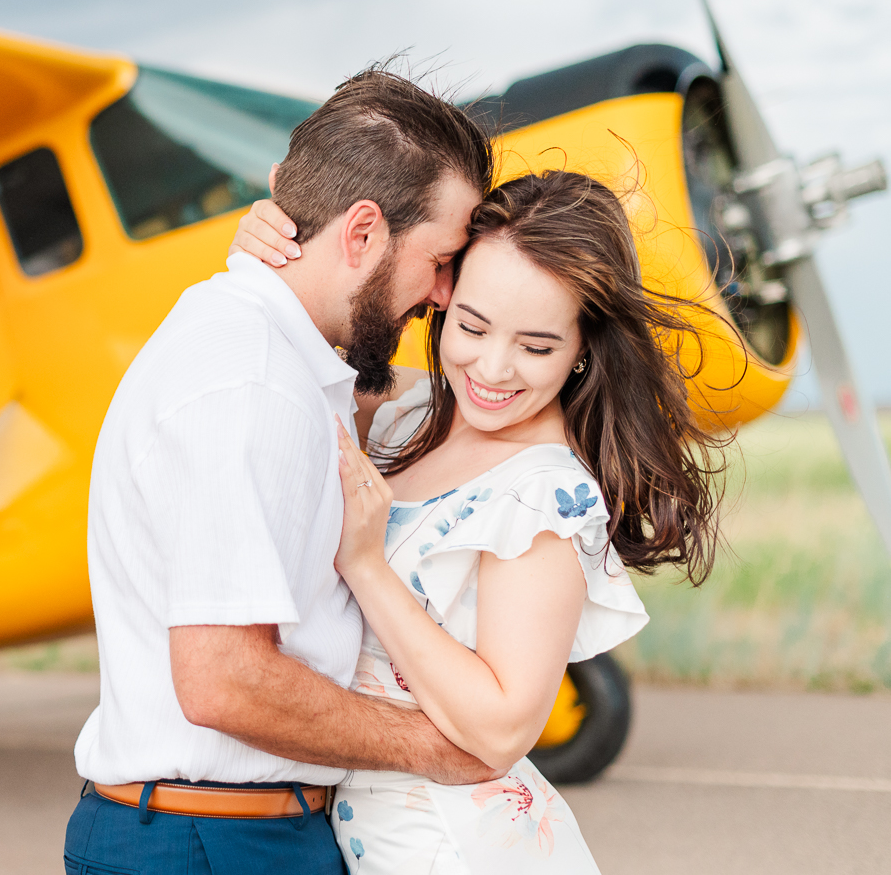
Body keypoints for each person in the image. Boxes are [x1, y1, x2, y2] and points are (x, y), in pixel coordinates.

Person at [66, 64, 495, 874]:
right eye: (440, 260)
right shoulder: (252, 382)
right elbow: (224, 680)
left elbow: (416, 403)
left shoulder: (285, 360)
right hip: (217, 842)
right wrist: (431, 747)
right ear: (362, 233)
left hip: (227, 833)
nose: (443, 295)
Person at [237, 170, 727, 873]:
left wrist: (368, 567)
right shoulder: (413, 413)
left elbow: (502, 728)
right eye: (470, 326)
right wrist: (266, 250)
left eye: (536, 346)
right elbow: (300, 350)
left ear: (584, 346)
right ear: (441, 296)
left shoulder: (543, 497)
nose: (492, 368)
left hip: (455, 849)